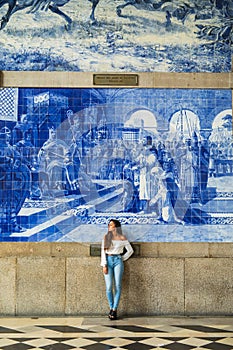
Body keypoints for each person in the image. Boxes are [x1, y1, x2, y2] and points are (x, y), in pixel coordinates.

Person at [101, 219, 134, 320]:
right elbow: (102, 252)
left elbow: (130, 251)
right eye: (109, 225)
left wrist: (121, 258)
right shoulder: (106, 237)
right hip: (108, 260)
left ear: (116, 227)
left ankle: (114, 309)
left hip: (118, 261)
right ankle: (111, 307)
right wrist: (104, 265)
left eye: (111, 225)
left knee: (118, 285)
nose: (109, 226)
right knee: (109, 287)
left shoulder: (122, 238)